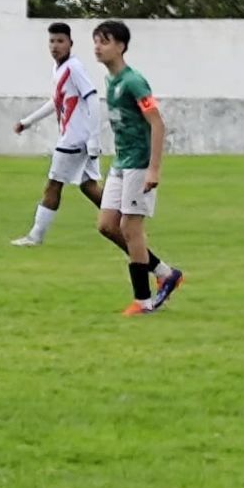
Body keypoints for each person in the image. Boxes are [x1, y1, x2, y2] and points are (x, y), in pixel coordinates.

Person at [91, 21, 184, 316]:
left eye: (104, 41)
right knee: (107, 225)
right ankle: (165, 273)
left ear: (120, 46)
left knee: (131, 229)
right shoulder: (111, 82)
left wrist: (153, 170)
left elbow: (157, 123)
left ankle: (143, 302)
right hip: (121, 163)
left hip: (138, 165)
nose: (98, 47)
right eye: (96, 41)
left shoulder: (134, 82)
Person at [11, 22, 103, 247]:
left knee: (53, 185)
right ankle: (126, 222)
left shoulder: (74, 67)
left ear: (70, 43)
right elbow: (57, 101)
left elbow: (92, 97)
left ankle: (35, 236)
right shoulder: (59, 69)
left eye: (60, 41)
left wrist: (93, 138)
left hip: (73, 139)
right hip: (76, 138)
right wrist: (27, 122)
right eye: (52, 41)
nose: (55, 46)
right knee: (88, 186)